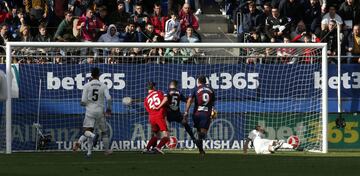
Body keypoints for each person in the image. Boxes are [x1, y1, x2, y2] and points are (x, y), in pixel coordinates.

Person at [73, 67, 112, 157]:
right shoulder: (103, 85)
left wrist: (84, 104)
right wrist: (109, 109)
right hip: (100, 111)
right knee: (104, 132)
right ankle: (106, 151)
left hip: (90, 111)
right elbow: (109, 98)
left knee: (87, 131)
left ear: (91, 75)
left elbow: (83, 101)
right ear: (99, 75)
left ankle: (93, 137)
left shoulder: (87, 85)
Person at [184, 75, 216, 157]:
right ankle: (198, 142)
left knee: (199, 132)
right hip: (206, 114)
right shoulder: (211, 90)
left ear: (198, 81)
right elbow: (213, 104)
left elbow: (190, 100)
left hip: (196, 113)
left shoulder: (196, 89)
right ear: (206, 81)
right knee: (203, 133)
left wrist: (186, 112)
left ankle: (201, 151)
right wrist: (213, 111)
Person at [143, 81, 169, 154]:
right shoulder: (159, 93)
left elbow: (148, 110)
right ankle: (158, 148)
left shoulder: (146, 99)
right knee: (166, 135)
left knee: (156, 135)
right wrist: (161, 106)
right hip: (159, 116)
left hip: (151, 117)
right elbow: (165, 100)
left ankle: (147, 148)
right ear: (154, 87)